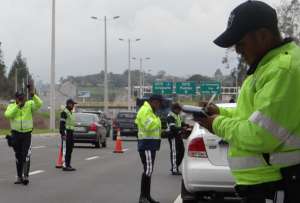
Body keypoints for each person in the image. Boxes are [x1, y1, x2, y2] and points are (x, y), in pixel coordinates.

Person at [197, 1, 300, 202]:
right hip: (268, 183)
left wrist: (216, 123)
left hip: (278, 184)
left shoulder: (282, 70)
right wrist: (220, 112)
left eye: (241, 43)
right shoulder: (266, 68)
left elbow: (260, 134)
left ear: (263, 35)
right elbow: (253, 118)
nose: (237, 50)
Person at [4, 82, 43, 185]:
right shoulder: (12, 106)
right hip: (16, 134)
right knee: (18, 156)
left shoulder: (29, 105)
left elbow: (40, 104)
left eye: (22, 98)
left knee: (26, 155)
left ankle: (25, 176)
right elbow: (7, 115)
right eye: (19, 98)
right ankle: (19, 177)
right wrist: (17, 106)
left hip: (26, 134)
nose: (21, 100)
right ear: (16, 99)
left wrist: (33, 95)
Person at [135, 94, 163, 203]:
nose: (160, 105)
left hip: (150, 144)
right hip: (147, 144)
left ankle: (147, 196)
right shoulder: (145, 110)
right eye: (159, 102)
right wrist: (158, 121)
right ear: (153, 101)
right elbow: (148, 126)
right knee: (148, 170)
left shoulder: (150, 111)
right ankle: (143, 197)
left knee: (149, 170)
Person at [166, 103, 186, 175]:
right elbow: (172, 128)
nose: (180, 111)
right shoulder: (170, 116)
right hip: (173, 136)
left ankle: (176, 166)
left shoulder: (177, 115)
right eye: (179, 110)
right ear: (175, 109)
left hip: (178, 136)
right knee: (175, 152)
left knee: (182, 151)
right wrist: (182, 128)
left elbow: (180, 123)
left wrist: (186, 125)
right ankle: (174, 170)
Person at [59, 99, 77, 171]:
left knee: (70, 149)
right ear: (69, 104)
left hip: (71, 132)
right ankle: (65, 165)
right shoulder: (64, 112)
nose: (73, 106)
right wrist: (63, 134)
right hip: (66, 132)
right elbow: (62, 124)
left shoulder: (71, 112)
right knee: (65, 149)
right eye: (73, 104)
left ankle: (68, 164)